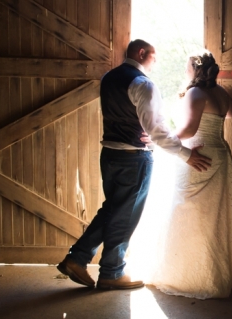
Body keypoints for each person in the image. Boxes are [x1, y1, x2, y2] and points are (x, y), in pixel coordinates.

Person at [56, 40, 212, 290]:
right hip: (134, 157)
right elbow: (156, 130)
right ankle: (111, 272)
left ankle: (77, 258)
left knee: (113, 209)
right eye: (154, 56)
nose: (156, 61)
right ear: (142, 53)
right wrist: (185, 154)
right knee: (124, 216)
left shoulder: (109, 78)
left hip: (110, 154)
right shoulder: (143, 84)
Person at [130, 52, 232, 299]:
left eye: (187, 66)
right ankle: (218, 272)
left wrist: (160, 139)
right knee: (215, 216)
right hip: (221, 154)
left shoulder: (195, 93)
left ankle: (188, 274)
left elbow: (189, 129)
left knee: (186, 210)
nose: (184, 70)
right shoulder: (222, 93)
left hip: (198, 154)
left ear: (195, 69)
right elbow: (230, 114)